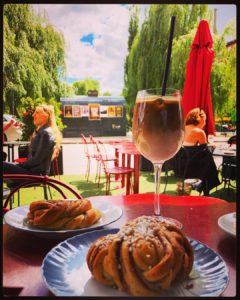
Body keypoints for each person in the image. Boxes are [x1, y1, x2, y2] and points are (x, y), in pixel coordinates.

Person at [3, 104, 62, 180]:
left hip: (36, 174)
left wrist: (19, 165)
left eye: (37, 112)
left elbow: (37, 160)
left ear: (46, 116)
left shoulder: (46, 133)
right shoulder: (43, 131)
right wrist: (18, 165)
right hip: (33, 171)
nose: (33, 115)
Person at [173, 107, 220, 195]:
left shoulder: (181, 128)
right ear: (200, 119)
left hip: (178, 166)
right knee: (209, 161)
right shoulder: (199, 131)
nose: (205, 123)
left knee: (208, 161)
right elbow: (205, 148)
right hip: (191, 168)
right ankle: (206, 188)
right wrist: (212, 145)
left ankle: (200, 185)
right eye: (205, 120)